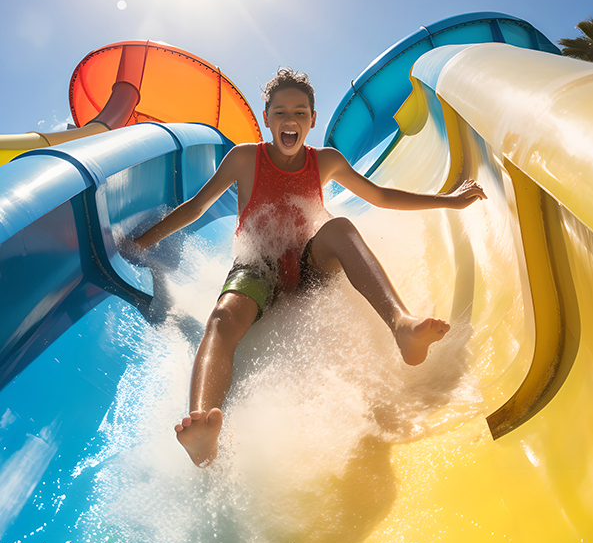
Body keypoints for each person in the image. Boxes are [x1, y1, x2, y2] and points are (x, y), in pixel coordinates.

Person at [133, 68, 486, 467]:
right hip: (257, 266)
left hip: (309, 267)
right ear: (266, 117)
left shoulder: (327, 162)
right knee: (221, 320)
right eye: (280, 112)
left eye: (300, 113)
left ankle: (402, 326)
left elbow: (381, 196)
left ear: (312, 120)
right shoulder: (244, 158)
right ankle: (202, 426)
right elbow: (196, 207)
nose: (290, 121)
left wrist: (450, 200)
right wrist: (142, 244)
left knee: (339, 227)